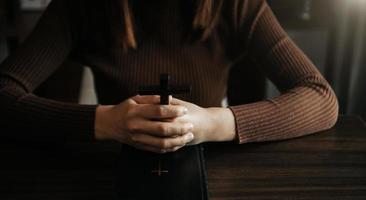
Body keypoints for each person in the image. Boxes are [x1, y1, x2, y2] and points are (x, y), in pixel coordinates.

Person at [0, 0, 338, 153]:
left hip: (208, 168)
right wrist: (106, 123)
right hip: (114, 170)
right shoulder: (83, 6)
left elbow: (320, 97)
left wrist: (210, 123)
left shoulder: (236, 4)